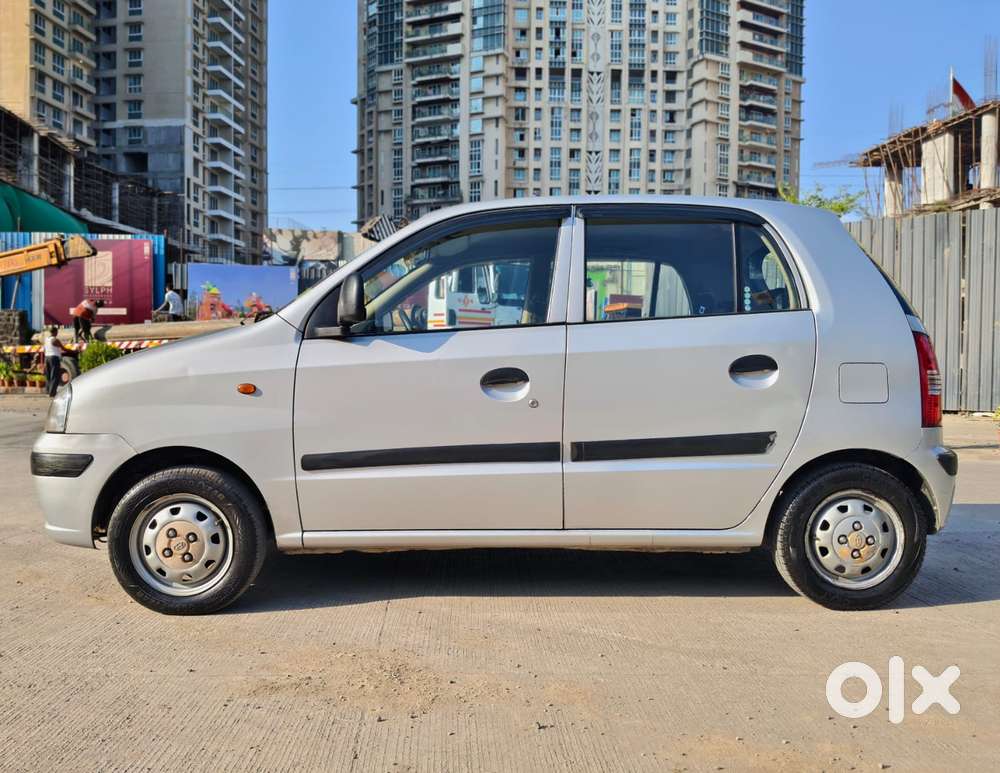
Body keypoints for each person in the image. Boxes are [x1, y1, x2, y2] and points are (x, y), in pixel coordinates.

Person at [43, 325, 65, 398]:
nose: (57, 333)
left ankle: (48, 391)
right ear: (55, 332)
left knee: (48, 376)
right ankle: (52, 393)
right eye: (57, 332)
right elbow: (63, 348)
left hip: (47, 357)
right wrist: (73, 351)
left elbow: (45, 350)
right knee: (54, 376)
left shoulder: (46, 339)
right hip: (54, 358)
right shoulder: (55, 340)